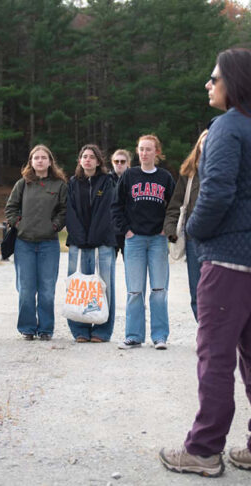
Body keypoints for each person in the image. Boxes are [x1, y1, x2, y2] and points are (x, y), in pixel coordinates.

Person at [159, 48, 251, 478]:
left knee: (215, 355)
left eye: (214, 78)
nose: (208, 84)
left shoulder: (227, 126)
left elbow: (215, 194)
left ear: (233, 82)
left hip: (232, 260)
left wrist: (194, 231)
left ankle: (203, 450)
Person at [112, 134, 175, 350]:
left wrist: (167, 228)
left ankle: (159, 337)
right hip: (135, 240)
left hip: (157, 240)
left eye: (149, 149)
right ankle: (134, 336)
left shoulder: (165, 177)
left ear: (157, 152)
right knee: (134, 291)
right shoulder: (129, 176)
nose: (144, 153)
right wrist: (126, 231)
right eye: (141, 149)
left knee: (159, 290)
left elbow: (174, 207)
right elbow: (116, 206)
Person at [5, 144, 67, 341]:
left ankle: (46, 329)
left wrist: (55, 226)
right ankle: (27, 328)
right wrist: (19, 224)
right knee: (26, 289)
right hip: (24, 244)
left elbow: (64, 210)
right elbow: (11, 208)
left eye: (43, 157)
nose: (40, 160)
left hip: (49, 244)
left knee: (47, 289)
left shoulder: (59, 185)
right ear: (31, 162)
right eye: (36, 157)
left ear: (50, 161)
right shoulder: (22, 184)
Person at [64, 144, 117, 342]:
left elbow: (105, 211)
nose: (88, 160)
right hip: (78, 243)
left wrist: (93, 237)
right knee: (78, 286)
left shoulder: (107, 181)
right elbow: (70, 211)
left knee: (104, 286)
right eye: (84, 156)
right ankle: (80, 329)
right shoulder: (72, 183)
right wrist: (80, 236)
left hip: (102, 241)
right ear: (79, 160)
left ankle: (102, 330)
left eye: (92, 157)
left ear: (98, 161)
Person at [163, 130, 208, 322]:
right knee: (197, 290)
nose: (207, 146)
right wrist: (172, 229)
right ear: (197, 146)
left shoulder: (229, 170)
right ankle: (206, 333)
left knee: (221, 290)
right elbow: (175, 205)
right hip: (193, 240)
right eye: (203, 143)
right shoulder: (188, 174)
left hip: (221, 241)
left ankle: (220, 334)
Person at [109, 148, 131, 258]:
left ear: (128, 163)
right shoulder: (105, 180)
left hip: (128, 228)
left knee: (131, 265)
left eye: (122, 161)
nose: (119, 164)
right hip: (110, 229)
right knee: (107, 268)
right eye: (116, 161)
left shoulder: (133, 179)